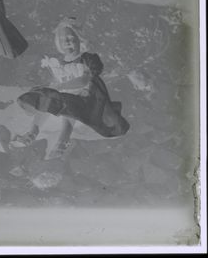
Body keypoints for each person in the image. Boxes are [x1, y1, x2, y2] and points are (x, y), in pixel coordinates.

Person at [13, 18, 129, 157]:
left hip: (88, 97)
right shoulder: (58, 63)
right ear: (59, 44)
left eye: (71, 38)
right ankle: (31, 133)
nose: (67, 42)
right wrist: (52, 87)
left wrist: (60, 86)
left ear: (80, 40)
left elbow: (84, 80)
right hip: (67, 94)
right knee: (47, 100)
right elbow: (57, 80)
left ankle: (62, 142)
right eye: (63, 40)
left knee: (69, 106)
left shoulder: (87, 58)